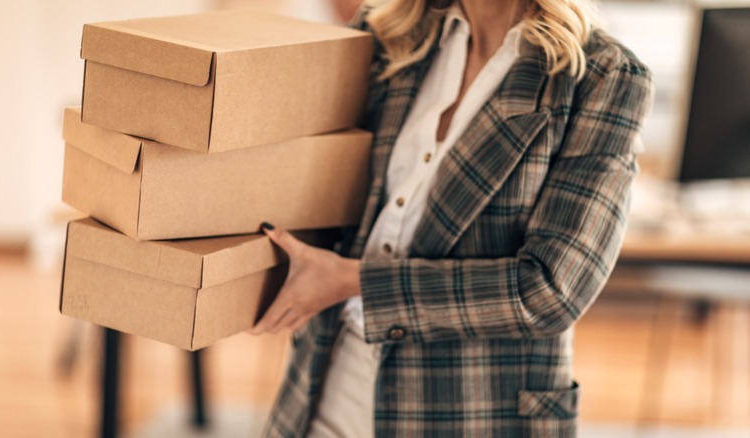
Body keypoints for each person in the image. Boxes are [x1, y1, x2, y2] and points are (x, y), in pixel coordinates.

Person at [250, 0, 653, 436]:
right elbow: (323, 194)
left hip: (472, 404)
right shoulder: (388, 33)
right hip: (331, 377)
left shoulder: (602, 76)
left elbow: (550, 292)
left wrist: (352, 280)